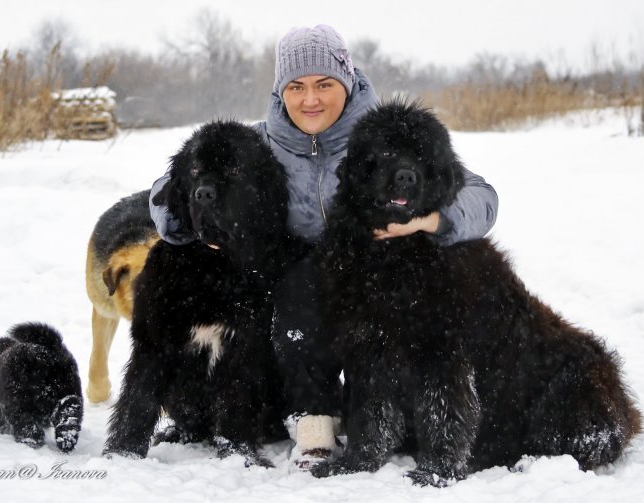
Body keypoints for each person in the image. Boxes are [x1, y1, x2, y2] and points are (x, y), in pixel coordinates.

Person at [149, 24, 498, 469]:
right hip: (298, 282)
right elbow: (172, 183)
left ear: (346, 83)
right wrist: (182, 225)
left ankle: (403, 414)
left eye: (323, 84)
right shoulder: (260, 143)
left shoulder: (384, 137)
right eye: (296, 86)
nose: (310, 99)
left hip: (379, 273)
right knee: (300, 286)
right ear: (281, 92)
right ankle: (312, 422)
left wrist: (433, 219)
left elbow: (482, 197)